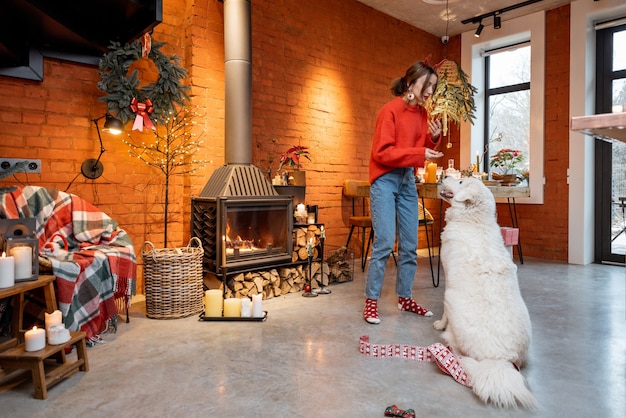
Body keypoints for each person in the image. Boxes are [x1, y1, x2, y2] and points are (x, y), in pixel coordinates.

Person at [363, 61, 443, 324]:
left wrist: (432, 139)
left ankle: (405, 297)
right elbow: (382, 153)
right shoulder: (389, 112)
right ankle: (371, 302)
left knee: (410, 244)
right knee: (385, 242)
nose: (431, 90)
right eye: (427, 84)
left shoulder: (421, 114)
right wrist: (420, 152)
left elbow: (418, 148)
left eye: (434, 85)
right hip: (384, 180)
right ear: (411, 83)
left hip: (407, 180)